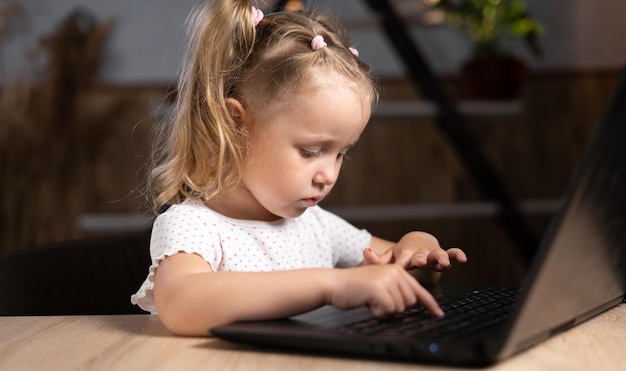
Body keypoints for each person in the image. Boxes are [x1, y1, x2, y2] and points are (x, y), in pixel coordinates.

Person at [131, 0, 467, 336]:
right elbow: (182, 305)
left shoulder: (317, 227)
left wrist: (417, 250)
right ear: (236, 124)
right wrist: (329, 285)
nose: (329, 176)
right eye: (310, 152)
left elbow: (389, 269)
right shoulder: (192, 226)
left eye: (341, 155)